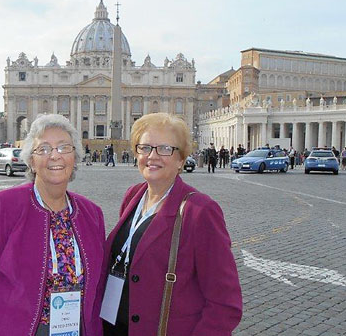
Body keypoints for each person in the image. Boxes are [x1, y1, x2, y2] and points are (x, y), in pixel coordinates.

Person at [0, 114, 105, 336]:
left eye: (64, 147)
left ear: (74, 156)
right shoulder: (4, 206)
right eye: (43, 149)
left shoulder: (91, 213)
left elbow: (99, 288)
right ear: (32, 161)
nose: (55, 155)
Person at [101, 113, 242, 336]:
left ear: (181, 160)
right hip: (114, 327)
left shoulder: (200, 211)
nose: (152, 156)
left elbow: (225, 303)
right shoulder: (134, 196)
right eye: (145, 147)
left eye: (165, 148)